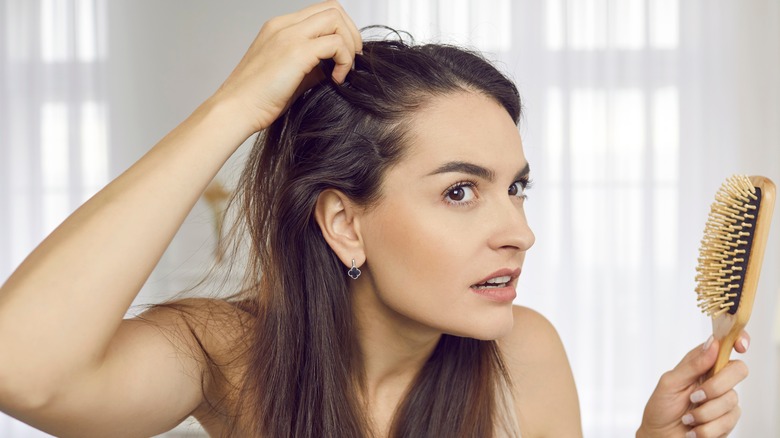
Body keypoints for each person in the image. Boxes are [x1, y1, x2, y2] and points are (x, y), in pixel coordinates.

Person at [0, 1, 750, 437]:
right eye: (461, 191)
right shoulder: (228, 353)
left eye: (516, 188)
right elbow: (20, 368)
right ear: (344, 224)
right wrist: (230, 111)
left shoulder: (523, 356)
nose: (519, 232)